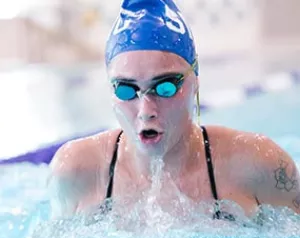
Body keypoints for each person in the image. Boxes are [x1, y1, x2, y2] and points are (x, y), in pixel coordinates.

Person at [49, 0, 300, 223]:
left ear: (196, 82)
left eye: (166, 87)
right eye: (126, 89)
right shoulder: (76, 172)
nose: (146, 110)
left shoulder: (259, 166)